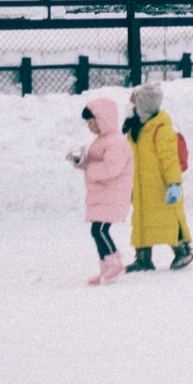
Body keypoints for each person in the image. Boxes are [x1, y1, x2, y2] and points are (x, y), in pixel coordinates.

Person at [123, 82, 192, 272]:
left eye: (134, 103)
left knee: (167, 219)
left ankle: (182, 250)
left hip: (160, 187)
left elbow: (169, 160)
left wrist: (174, 183)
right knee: (142, 221)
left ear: (144, 105)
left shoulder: (160, 130)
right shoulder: (135, 128)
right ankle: (143, 258)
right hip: (141, 187)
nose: (131, 107)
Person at [70, 97, 134, 286]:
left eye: (91, 122)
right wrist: (83, 162)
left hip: (112, 195)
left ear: (102, 119)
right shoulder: (102, 141)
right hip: (102, 195)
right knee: (96, 230)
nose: (89, 126)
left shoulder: (115, 142)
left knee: (99, 230)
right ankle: (106, 267)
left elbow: (111, 169)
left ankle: (114, 262)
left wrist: (88, 168)